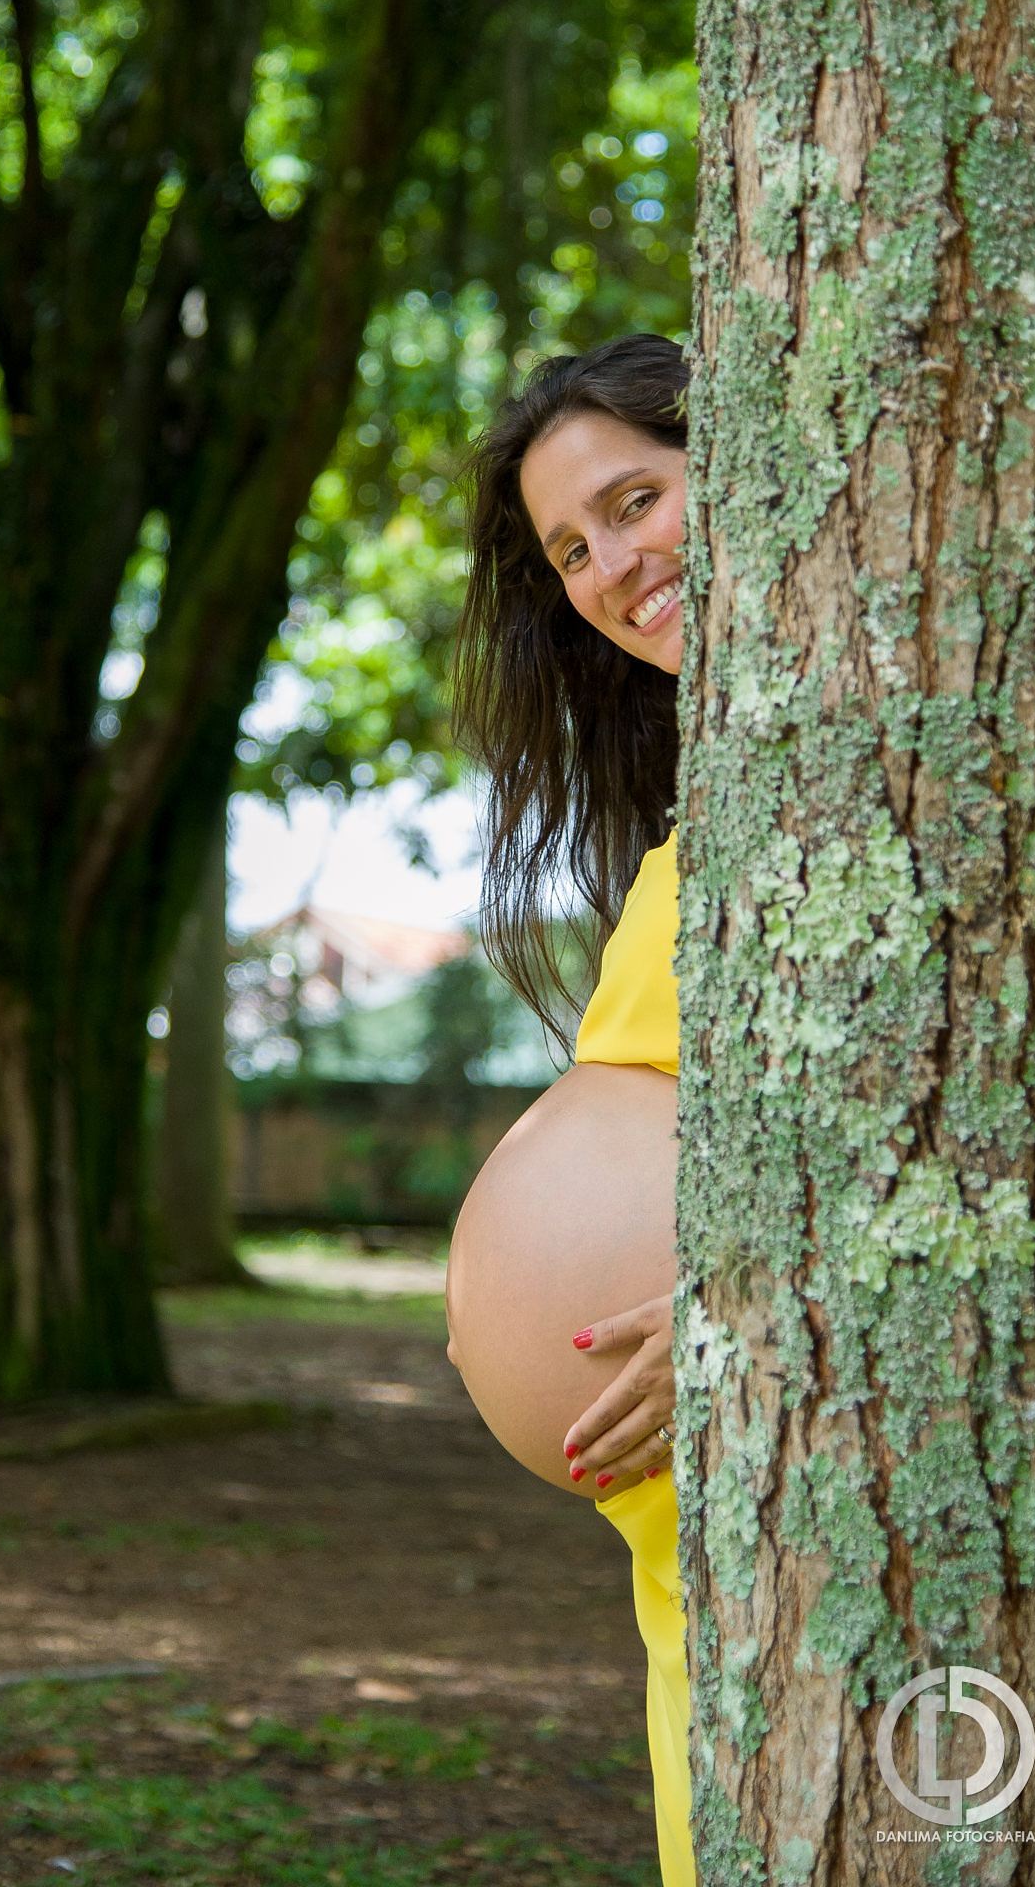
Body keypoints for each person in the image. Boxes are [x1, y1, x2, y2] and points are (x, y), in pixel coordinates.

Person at [444, 334, 693, 1887]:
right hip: (697, 1581)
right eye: (571, 549)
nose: (611, 564)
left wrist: (772, 1302)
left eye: (638, 498)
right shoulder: (719, 805)